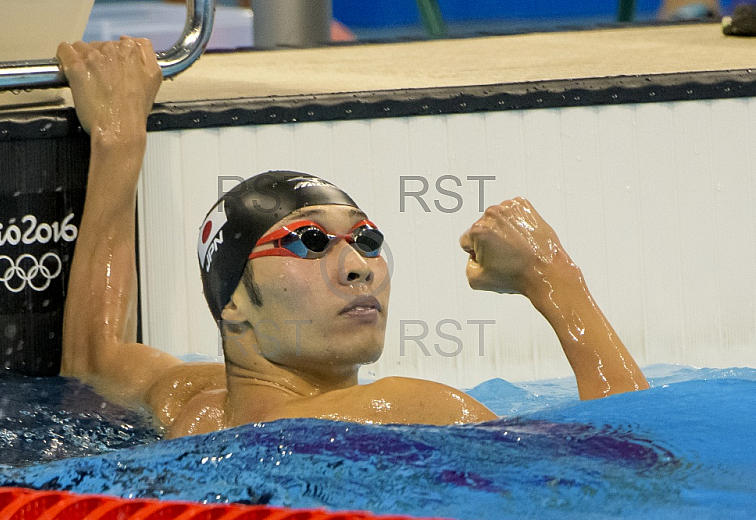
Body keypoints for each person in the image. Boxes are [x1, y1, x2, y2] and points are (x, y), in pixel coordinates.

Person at [58, 38, 649, 439]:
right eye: (310, 242)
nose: (358, 266)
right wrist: (551, 277)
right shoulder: (405, 410)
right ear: (232, 303)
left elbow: (93, 356)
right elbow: (636, 462)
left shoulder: (197, 408)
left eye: (366, 241)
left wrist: (118, 140)